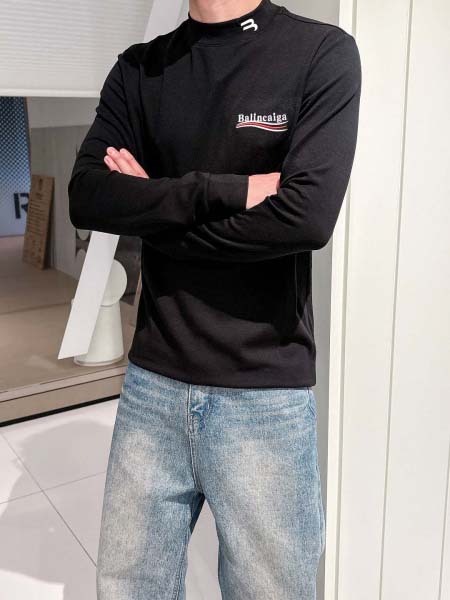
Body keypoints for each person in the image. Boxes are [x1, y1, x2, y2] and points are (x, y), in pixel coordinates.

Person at [68, 0, 361, 597]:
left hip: (265, 393)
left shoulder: (320, 53)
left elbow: (304, 220)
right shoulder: (139, 68)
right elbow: (88, 196)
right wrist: (226, 192)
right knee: (126, 588)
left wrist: (151, 205)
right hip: (152, 383)